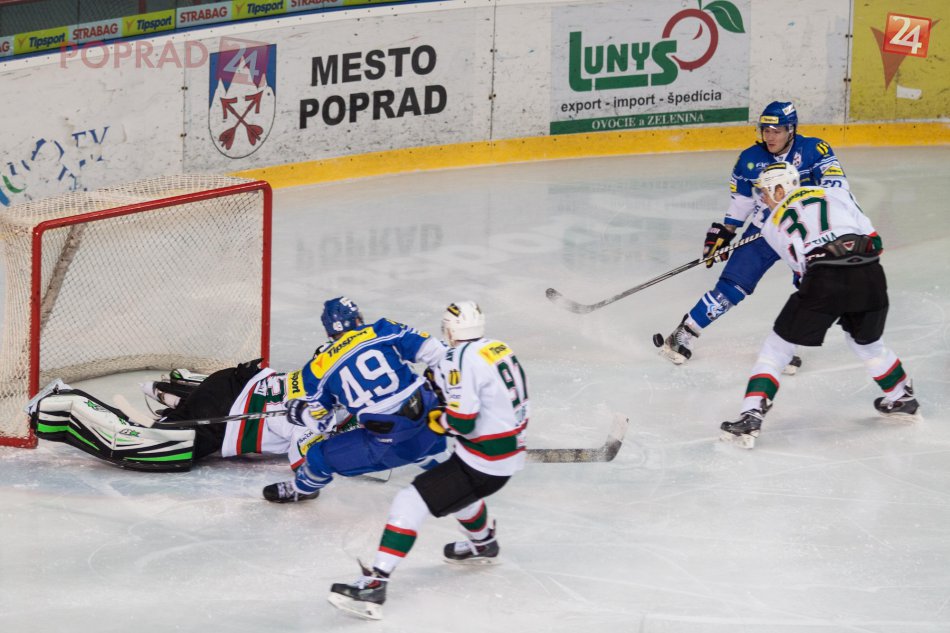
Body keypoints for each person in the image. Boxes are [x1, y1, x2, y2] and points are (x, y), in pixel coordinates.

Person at [327, 301, 529, 621]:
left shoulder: (462, 359)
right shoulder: (497, 347)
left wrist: (440, 420)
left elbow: (462, 422)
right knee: (457, 490)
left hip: (485, 460)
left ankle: (375, 584)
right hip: (505, 451)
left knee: (410, 501)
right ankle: (484, 544)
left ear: (449, 330)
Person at [719, 162, 919, 448]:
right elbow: (876, 242)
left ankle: (751, 414)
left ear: (781, 189)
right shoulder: (835, 193)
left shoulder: (772, 224)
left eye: (765, 191)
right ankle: (902, 396)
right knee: (867, 344)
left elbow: (802, 272)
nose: (762, 198)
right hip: (870, 272)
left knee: (777, 349)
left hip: (825, 276)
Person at [658, 101, 850, 370]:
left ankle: (785, 347)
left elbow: (837, 185)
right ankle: (684, 333)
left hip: (803, 232)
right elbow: (742, 201)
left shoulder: (814, 149)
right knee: (732, 286)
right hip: (764, 230)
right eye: (765, 130)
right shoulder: (749, 159)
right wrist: (725, 232)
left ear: (791, 130)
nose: (769, 136)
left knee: (810, 288)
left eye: (776, 131)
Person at [263, 296, 449, 503]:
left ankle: (301, 489)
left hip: (387, 442)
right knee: (425, 441)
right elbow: (439, 353)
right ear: (358, 319)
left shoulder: (317, 368)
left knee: (319, 456)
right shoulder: (382, 328)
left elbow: (321, 424)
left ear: (328, 332)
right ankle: (451, 473)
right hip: (431, 421)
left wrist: (301, 412)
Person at [26, 359, 337, 473]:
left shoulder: (325, 378)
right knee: (150, 448)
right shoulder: (319, 420)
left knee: (243, 397)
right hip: (223, 416)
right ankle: (62, 401)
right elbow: (305, 466)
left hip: (233, 379)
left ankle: (181, 385)